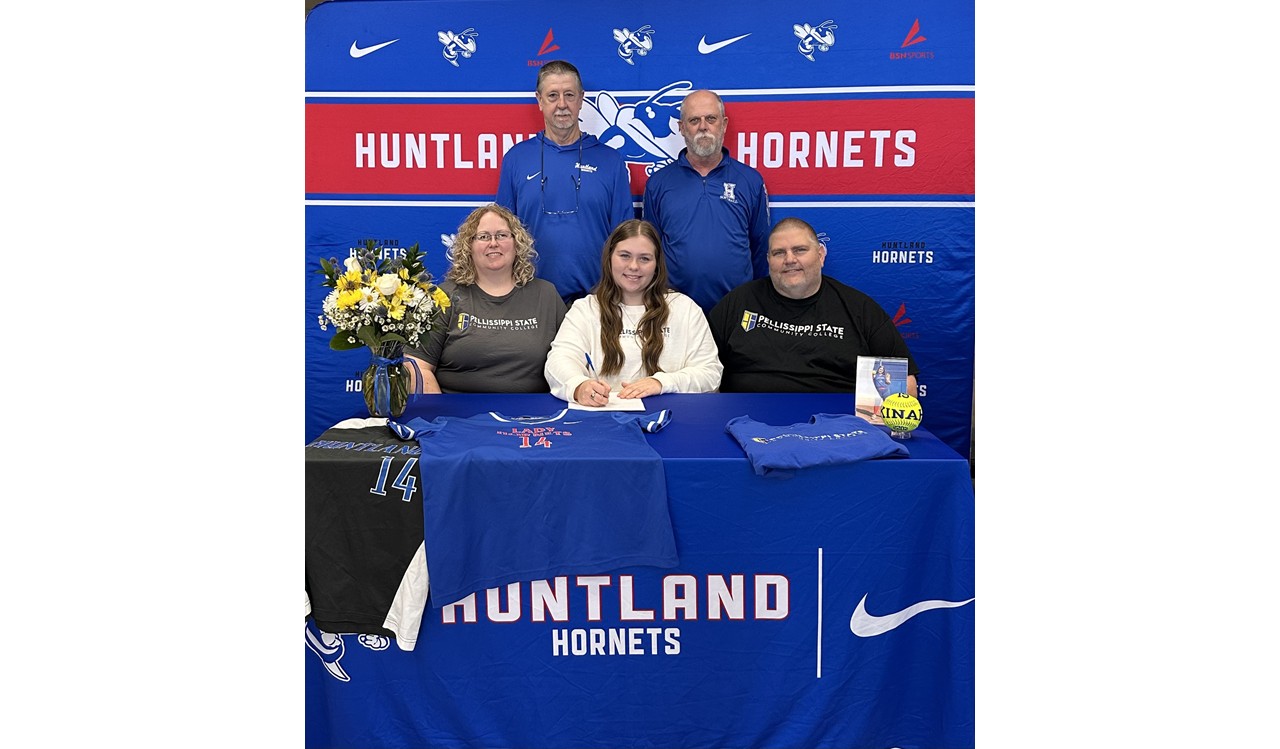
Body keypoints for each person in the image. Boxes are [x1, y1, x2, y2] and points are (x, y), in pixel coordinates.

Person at [708, 217, 919, 395]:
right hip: (746, 423)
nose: (789, 259)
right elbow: (703, 368)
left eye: (799, 250)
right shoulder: (737, 303)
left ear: (820, 255)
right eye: (779, 253)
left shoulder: (859, 309)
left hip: (836, 430)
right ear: (768, 259)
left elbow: (905, 382)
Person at [496, 60, 635, 305]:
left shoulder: (611, 161)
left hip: (596, 302)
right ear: (539, 100)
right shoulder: (516, 159)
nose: (562, 104)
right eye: (552, 95)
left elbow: (624, 239)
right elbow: (502, 235)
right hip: (529, 300)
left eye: (569, 95)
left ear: (581, 99)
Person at [544, 219, 722, 406]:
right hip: (603, 417)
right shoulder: (585, 309)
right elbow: (559, 360)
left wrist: (661, 382)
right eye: (625, 256)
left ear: (657, 264)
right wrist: (579, 386)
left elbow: (710, 372)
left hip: (672, 417)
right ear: (610, 258)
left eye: (644, 258)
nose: (634, 266)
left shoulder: (685, 309)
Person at [405, 204, 567, 393]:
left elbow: (570, 359)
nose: (493, 243)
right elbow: (417, 367)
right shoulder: (444, 297)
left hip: (531, 418)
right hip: (457, 415)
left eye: (502, 235)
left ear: (517, 243)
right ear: (468, 247)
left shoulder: (546, 295)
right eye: (483, 237)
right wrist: (439, 418)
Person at [641, 89, 771, 313]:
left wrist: (755, 300)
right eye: (694, 120)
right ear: (682, 128)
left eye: (711, 119)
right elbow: (651, 248)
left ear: (724, 124)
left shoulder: (750, 180)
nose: (703, 126)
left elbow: (760, 246)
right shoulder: (658, 183)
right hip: (675, 310)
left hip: (736, 308)